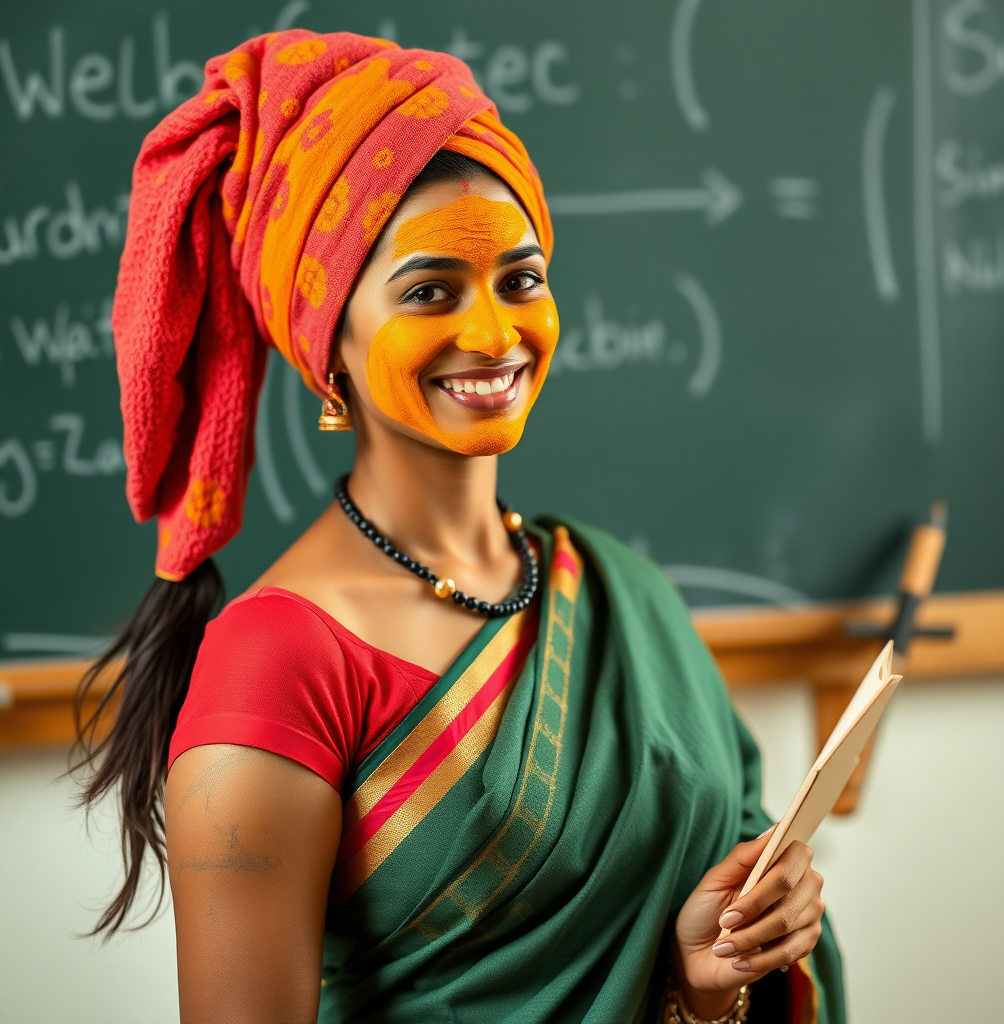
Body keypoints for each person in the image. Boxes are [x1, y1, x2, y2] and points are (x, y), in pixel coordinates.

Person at [75, 29, 844, 1024]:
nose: (493, 333)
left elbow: (682, 972)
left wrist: (703, 984)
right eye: (430, 292)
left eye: (520, 279)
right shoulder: (274, 662)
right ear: (327, 348)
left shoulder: (617, 589)